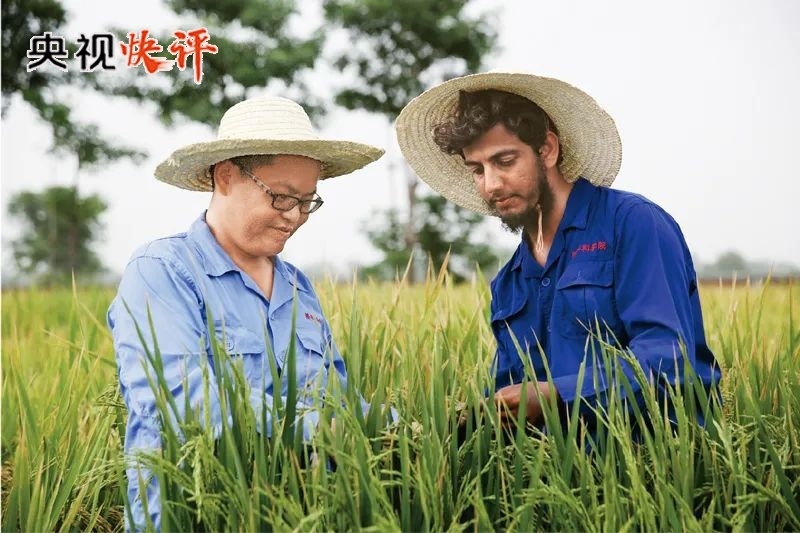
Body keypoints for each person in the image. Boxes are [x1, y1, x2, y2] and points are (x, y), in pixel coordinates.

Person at [108, 95, 384, 530]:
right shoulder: (162, 272)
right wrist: (321, 428)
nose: (295, 217)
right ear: (226, 176)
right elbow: (183, 400)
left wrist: (410, 428)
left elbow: (338, 400)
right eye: (282, 197)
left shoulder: (298, 287)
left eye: (308, 202)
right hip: (195, 518)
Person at [395, 72, 720, 438]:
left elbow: (668, 359)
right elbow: (514, 398)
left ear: (547, 149)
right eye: (478, 170)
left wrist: (557, 395)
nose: (491, 184)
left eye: (505, 161)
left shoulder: (632, 224)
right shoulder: (510, 281)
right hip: (556, 466)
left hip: (656, 458)